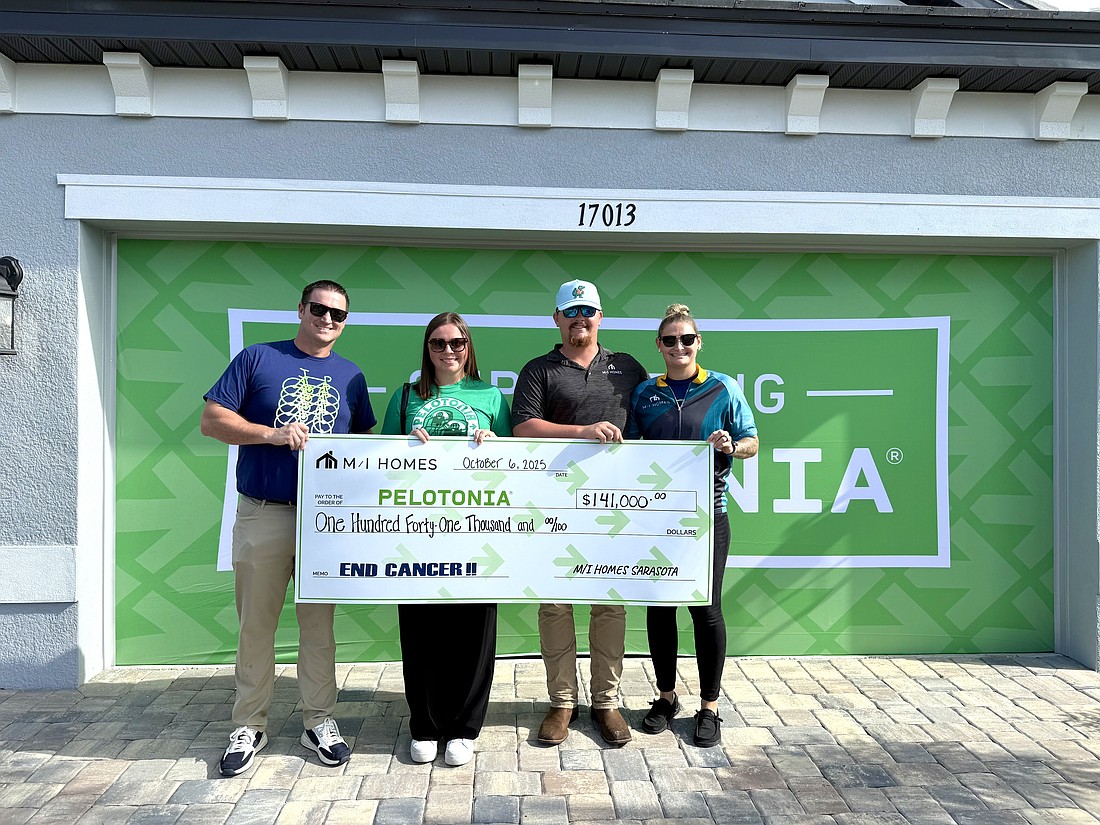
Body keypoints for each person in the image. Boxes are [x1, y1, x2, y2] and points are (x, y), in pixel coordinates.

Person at [201, 280, 376, 776]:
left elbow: (362, 447)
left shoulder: (351, 376)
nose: (327, 319)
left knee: (318, 627)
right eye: (319, 309)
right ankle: (249, 723)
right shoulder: (258, 359)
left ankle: (318, 720)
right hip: (266, 510)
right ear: (301, 310)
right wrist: (271, 435)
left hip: (325, 519)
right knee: (257, 624)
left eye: (338, 314)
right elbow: (212, 420)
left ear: (345, 322)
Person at [511, 279, 649, 747]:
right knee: (555, 603)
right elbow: (524, 427)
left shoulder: (629, 368)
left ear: (600, 317)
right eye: (571, 312)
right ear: (557, 319)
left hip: (615, 506)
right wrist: (582, 431)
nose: (580, 319)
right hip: (553, 503)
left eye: (588, 311)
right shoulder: (539, 369)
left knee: (610, 603)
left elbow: (652, 427)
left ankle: (607, 703)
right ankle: (562, 702)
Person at [381, 312, 512, 767]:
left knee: (473, 631)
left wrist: (494, 444)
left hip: (477, 529)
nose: (448, 351)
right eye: (438, 343)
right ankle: (425, 724)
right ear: (427, 349)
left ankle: (463, 727)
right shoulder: (405, 397)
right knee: (421, 632)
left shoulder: (490, 395)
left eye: (457, 343)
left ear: (469, 347)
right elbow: (378, 460)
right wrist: (405, 447)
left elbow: (515, 464)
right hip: (417, 532)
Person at [627, 303, 758, 747]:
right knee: (660, 607)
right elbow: (628, 449)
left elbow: (753, 442)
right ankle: (665, 698)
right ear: (659, 346)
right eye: (669, 340)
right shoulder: (645, 393)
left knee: (705, 610)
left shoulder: (724, 388)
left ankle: (710, 707)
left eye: (687, 339)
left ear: (698, 342)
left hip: (708, 517)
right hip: (657, 518)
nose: (678, 346)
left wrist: (732, 445)